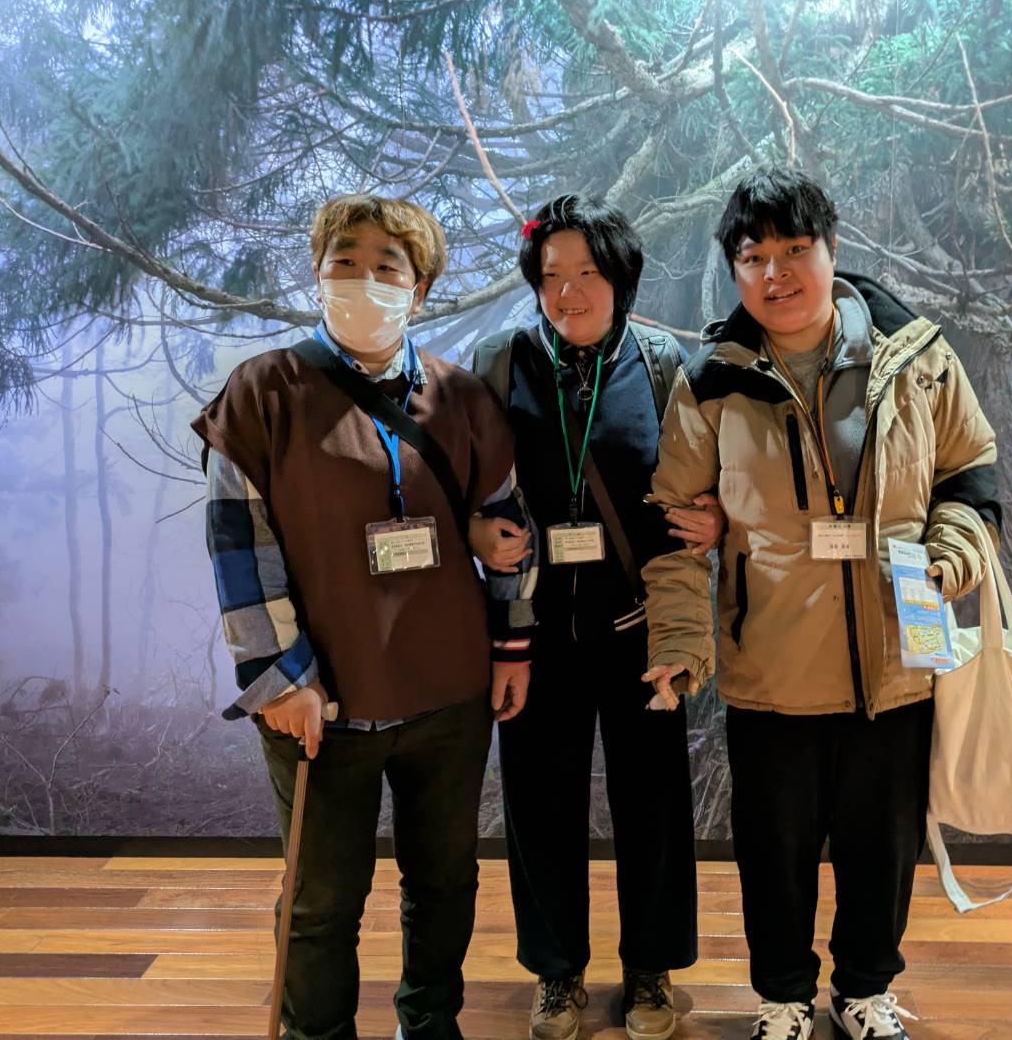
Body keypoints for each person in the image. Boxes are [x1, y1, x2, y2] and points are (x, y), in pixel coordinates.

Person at [641, 167, 1002, 1040]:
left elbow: (969, 474)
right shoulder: (712, 381)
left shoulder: (916, 358)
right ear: (734, 271)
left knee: (883, 848)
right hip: (771, 668)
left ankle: (864, 991)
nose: (775, 273)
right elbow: (675, 525)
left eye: (794, 249)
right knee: (775, 853)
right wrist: (682, 642)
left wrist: (949, 558)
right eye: (753, 256)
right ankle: (783, 997)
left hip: (896, 660)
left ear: (832, 251)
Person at [193, 193, 534, 1040]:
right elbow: (240, 545)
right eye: (344, 262)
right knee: (322, 897)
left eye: (387, 266)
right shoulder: (264, 392)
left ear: (419, 289)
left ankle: (429, 1021)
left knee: (445, 879)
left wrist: (510, 645)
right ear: (316, 276)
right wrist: (280, 678)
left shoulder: (461, 398)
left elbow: (507, 526)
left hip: (448, 693)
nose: (363, 280)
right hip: (320, 699)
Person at [468, 194, 722, 1040]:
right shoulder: (500, 361)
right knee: (539, 804)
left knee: (654, 802)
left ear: (620, 278)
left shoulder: (662, 363)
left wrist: (717, 518)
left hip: (638, 628)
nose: (568, 292)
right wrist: (473, 532)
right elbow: (468, 485)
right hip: (535, 631)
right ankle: (557, 971)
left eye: (587, 273)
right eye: (551, 276)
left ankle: (650, 966)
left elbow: (700, 486)